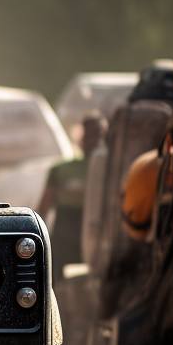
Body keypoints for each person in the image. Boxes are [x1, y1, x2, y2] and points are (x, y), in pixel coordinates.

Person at [39, 110, 107, 279]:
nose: (93, 140)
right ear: (80, 137)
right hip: (65, 239)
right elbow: (43, 209)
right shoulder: (61, 170)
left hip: (97, 239)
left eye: (97, 135)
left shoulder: (109, 171)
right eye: (89, 134)